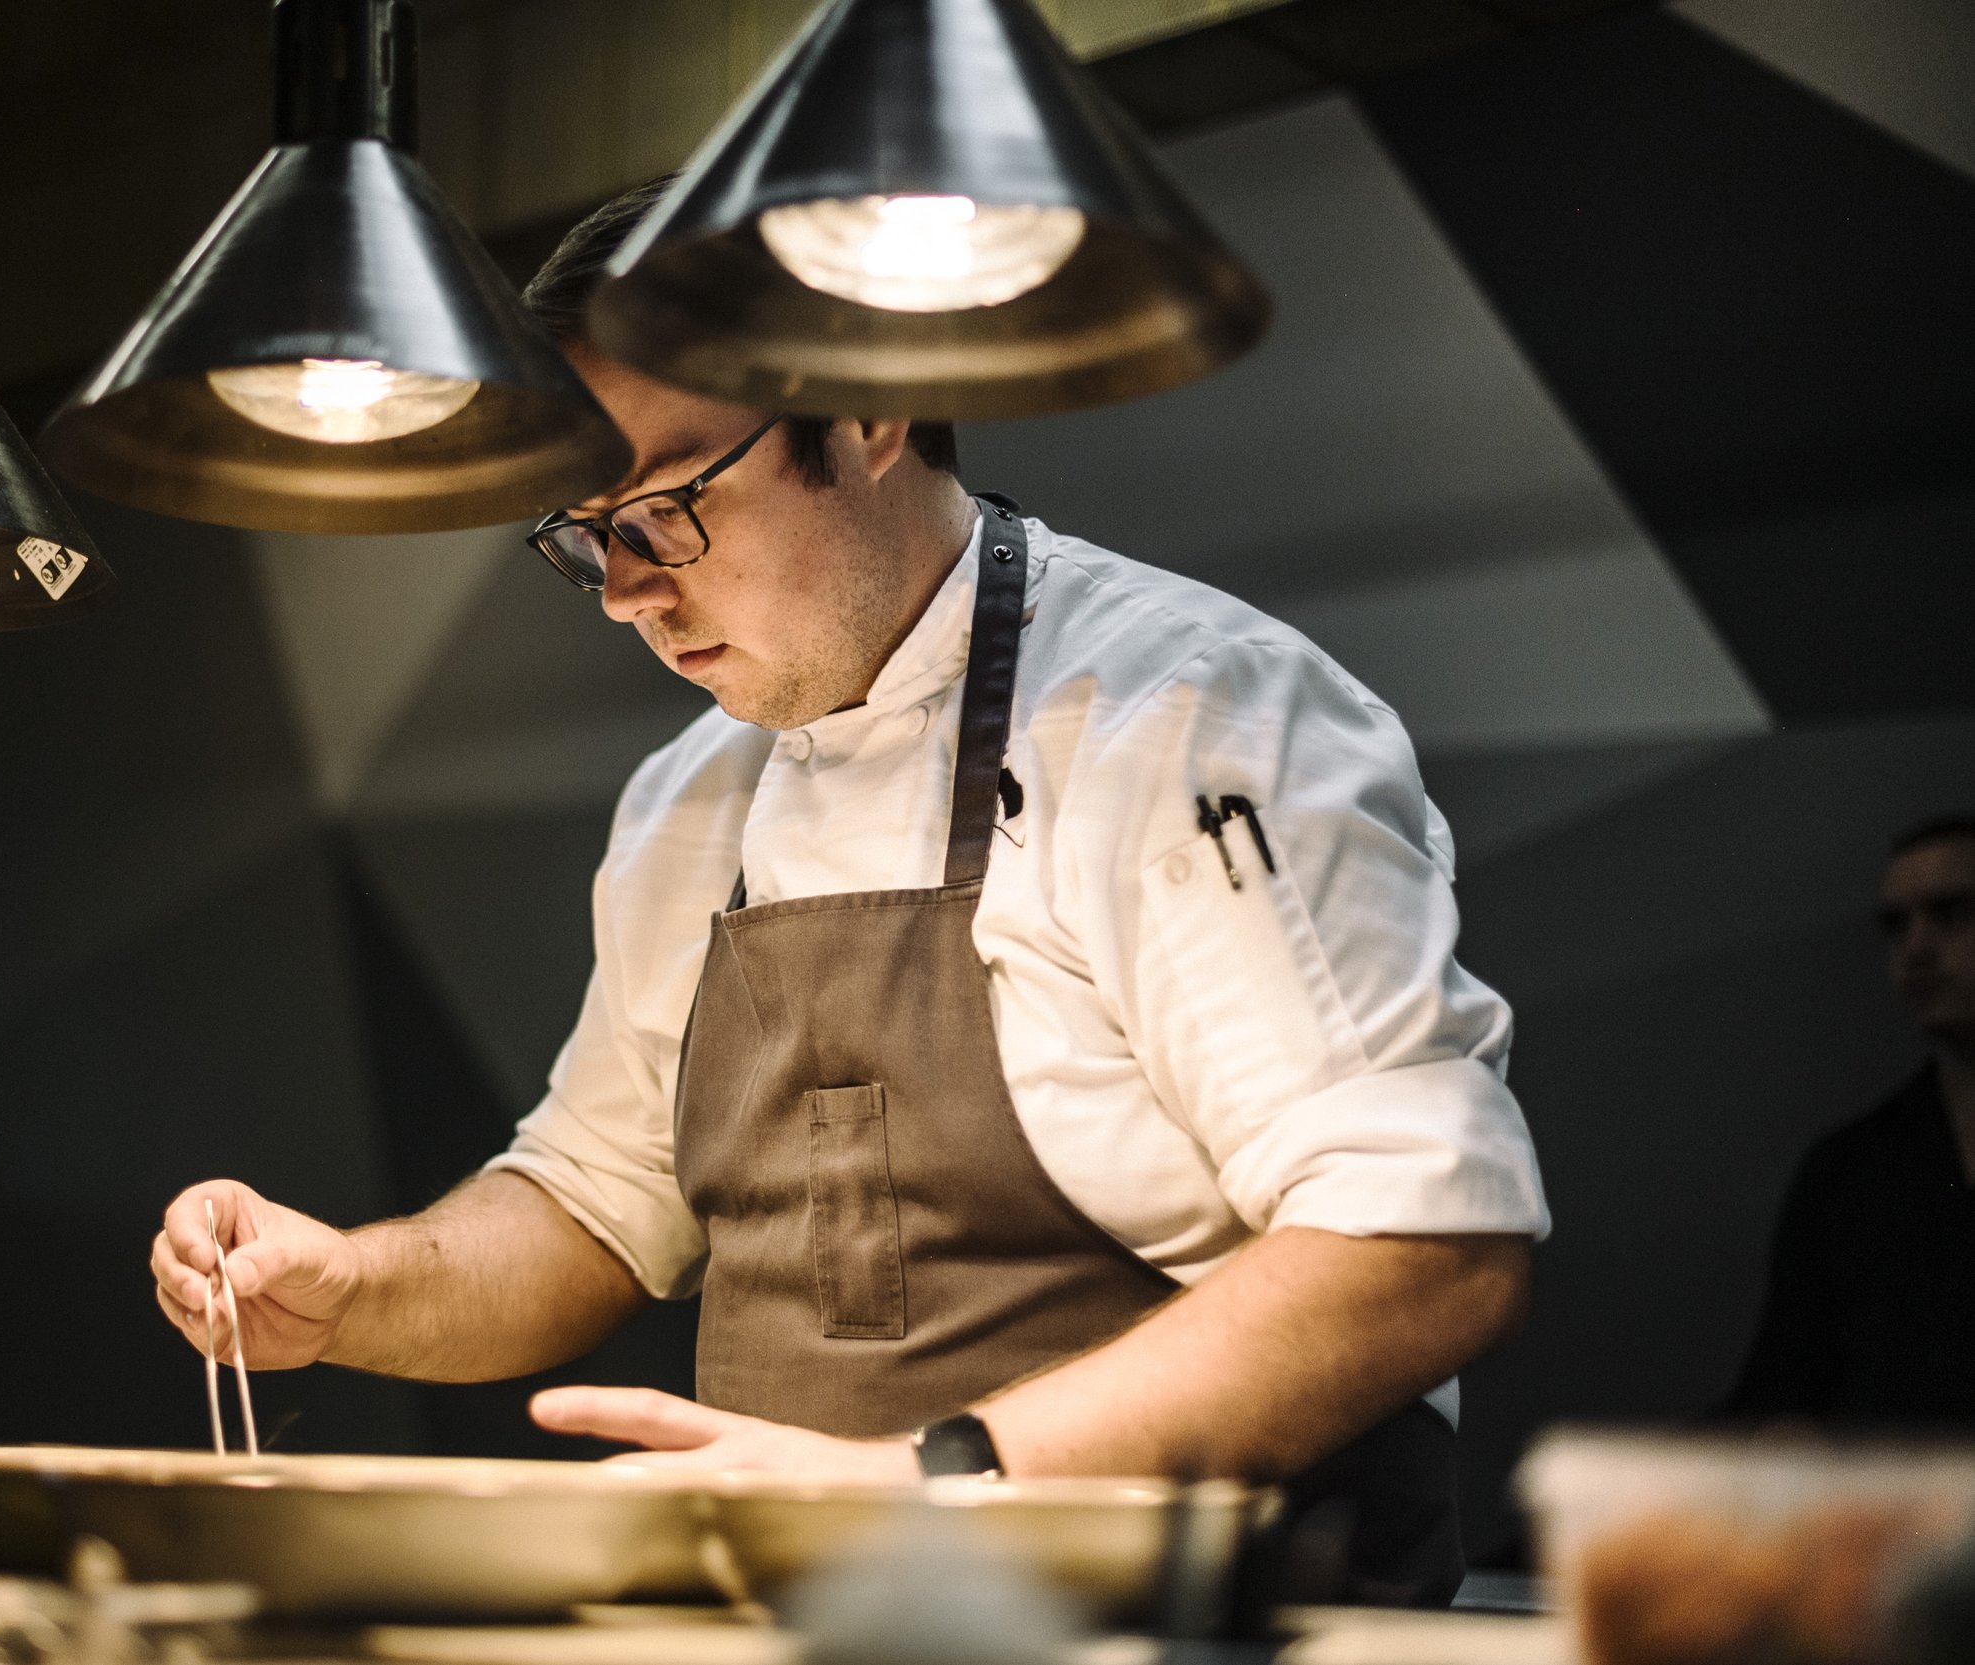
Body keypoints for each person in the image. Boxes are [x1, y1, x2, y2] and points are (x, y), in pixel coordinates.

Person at [150, 180, 1549, 1604]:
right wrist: (350, 1290)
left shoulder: (1187, 718)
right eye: (583, 535)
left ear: (871, 418)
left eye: (668, 507)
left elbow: (1424, 1245)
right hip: (811, 1627)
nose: (628, 588)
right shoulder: (690, 802)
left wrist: (937, 1484)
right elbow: (593, 1201)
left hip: (1206, 1624)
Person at [1722, 816, 1975, 1426]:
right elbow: (1781, 1392)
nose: (1915, 947)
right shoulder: (1851, 1170)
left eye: (1951, 914)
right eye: (1896, 925)